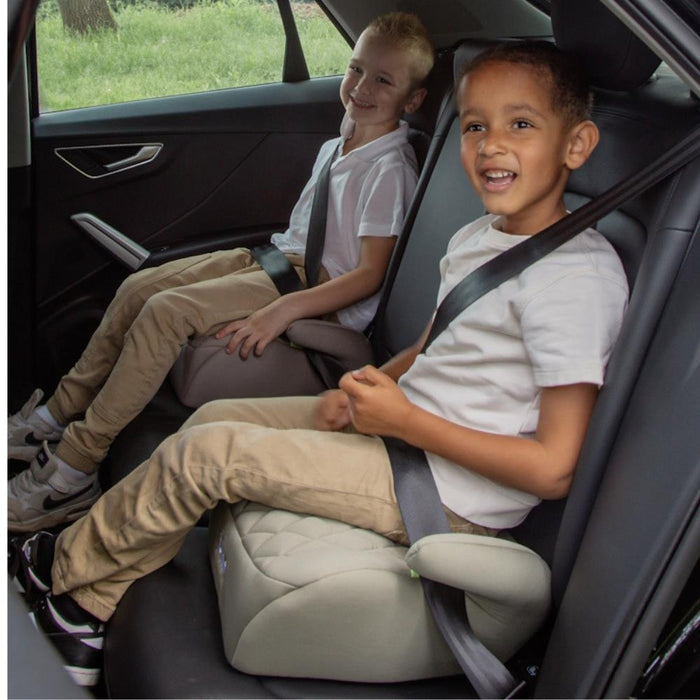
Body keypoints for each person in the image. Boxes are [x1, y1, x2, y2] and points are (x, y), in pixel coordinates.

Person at [12, 40, 629, 687]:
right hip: (399, 431)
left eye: (521, 124)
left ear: (577, 144)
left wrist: (404, 421)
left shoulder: (575, 280)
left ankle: (72, 597)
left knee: (206, 456)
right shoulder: (482, 236)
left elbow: (553, 468)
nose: (491, 145)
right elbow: (436, 342)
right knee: (209, 420)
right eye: (475, 126)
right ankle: (93, 581)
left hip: (448, 493)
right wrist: (374, 383)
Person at [7, 12, 435, 532]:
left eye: (383, 80)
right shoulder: (343, 140)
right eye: (356, 69)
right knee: (139, 286)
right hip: (279, 258)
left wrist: (282, 311)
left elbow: (368, 275)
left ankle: (74, 468)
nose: (361, 88)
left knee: (166, 313)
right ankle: (52, 416)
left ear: (413, 99)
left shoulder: (389, 169)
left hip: (315, 288)